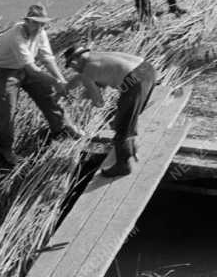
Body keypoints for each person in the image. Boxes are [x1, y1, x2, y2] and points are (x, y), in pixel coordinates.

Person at [0, 3, 80, 169]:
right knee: (6, 111)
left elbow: (47, 58)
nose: (40, 27)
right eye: (36, 22)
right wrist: (55, 82)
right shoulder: (17, 36)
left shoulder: (41, 33)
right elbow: (32, 69)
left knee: (48, 94)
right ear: (27, 21)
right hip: (3, 72)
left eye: (43, 23)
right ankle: (3, 151)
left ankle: (61, 129)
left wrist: (60, 80)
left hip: (25, 67)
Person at [63, 45, 156, 178]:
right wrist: (66, 88)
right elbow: (82, 78)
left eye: (72, 67)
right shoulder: (98, 57)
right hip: (148, 69)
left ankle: (123, 166)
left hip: (133, 81)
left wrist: (84, 98)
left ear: (74, 62)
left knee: (121, 123)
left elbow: (99, 102)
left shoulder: (87, 72)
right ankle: (132, 147)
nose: (75, 70)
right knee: (130, 115)